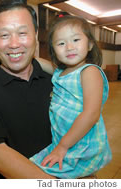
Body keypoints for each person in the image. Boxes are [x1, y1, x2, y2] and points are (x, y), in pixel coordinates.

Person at [0, 1, 54, 178]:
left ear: (36, 35)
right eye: (4, 35)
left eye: (22, 33)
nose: (14, 44)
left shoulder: (55, 81)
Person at [30, 15, 112, 178]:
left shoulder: (89, 71)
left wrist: (62, 146)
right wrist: (16, 52)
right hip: (64, 140)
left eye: (75, 40)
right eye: (61, 43)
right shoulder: (61, 72)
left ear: (89, 44)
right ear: (53, 50)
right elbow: (39, 62)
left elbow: (91, 114)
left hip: (81, 142)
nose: (69, 47)